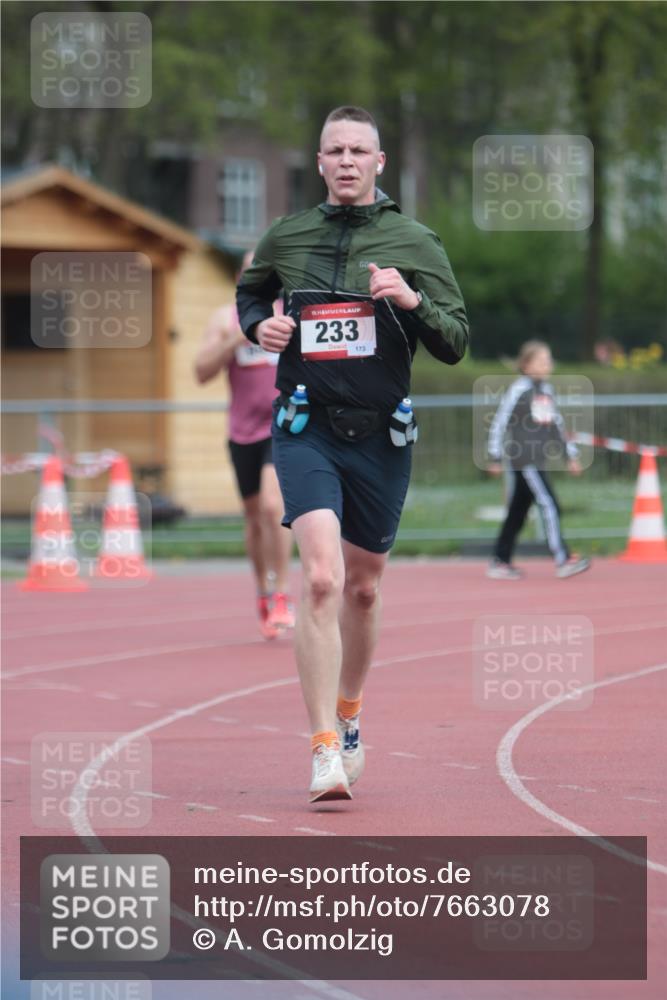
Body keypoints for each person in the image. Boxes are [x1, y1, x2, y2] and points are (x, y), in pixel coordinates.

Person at [236, 106, 468, 802]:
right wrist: (261, 326)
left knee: (363, 589)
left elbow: (454, 341)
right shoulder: (287, 235)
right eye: (333, 150)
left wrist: (408, 298)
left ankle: (349, 714)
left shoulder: (414, 240)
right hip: (303, 425)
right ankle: (320, 748)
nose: (344, 160)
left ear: (378, 163)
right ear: (318, 162)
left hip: (379, 436)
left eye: (356, 150)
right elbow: (250, 293)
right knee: (320, 580)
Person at [195, 251, 295, 640]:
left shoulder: (292, 315)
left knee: (274, 508)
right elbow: (201, 372)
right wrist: (238, 336)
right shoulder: (225, 319)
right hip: (242, 431)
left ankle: (283, 591)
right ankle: (263, 591)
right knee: (254, 517)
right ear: (241, 277)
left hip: (284, 424)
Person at [486, 340, 591, 580]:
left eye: (549, 360)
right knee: (550, 504)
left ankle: (499, 561)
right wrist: (494, 456)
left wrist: (570, 455)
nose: (548, 364)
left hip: (537, 459)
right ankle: (563, 559)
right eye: (542, 360)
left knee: (518, 512)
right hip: (524, 459)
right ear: (525, 365)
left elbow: (556, 425)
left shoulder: (546, 391)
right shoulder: (518, 390)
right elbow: (499, 423)